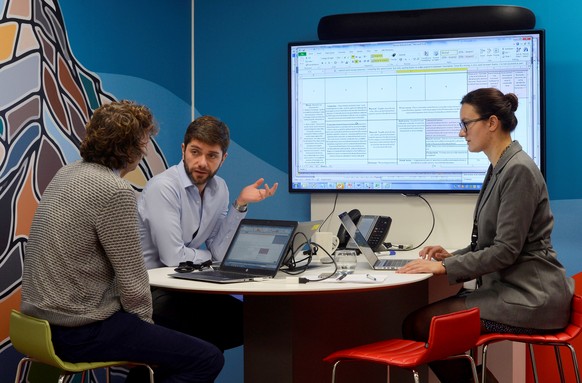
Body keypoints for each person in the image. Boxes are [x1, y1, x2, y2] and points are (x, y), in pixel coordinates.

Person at [21, 101, 224, 383]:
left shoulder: (67, 173)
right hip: (77, 330)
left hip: (35, 322)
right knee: (207, 358)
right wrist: (144, 332)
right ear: (133, 149)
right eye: (144, 142)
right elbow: (133, 282)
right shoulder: (114, 191)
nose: (145, 149)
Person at [397, 88, 574, 382]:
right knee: (419, 325)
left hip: (532, 297)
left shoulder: (518, 170)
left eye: (466, 124)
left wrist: (444, 267)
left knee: (421, 325)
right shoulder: (500, 167)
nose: (461, 133)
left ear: (491, 123)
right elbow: (491, 243)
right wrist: (452, 257)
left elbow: (506, 250)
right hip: (510, 290)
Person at [138, 115, 278, 351]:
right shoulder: (164, 188)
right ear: (183, 150)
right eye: (195, 152)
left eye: (212, 155)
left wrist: (240, 205)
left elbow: (220, 252)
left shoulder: (219, 188)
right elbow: (173, 257)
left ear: (223, 158)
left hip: (183, 286)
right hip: (148, 291)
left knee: (251, 323)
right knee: (209, 343)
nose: (202, 162)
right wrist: (208, 258)